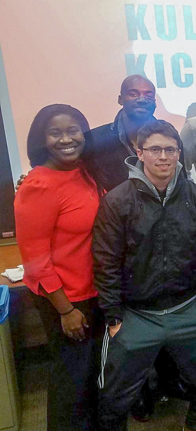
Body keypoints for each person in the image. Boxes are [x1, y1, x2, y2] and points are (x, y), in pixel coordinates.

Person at [93, 120, 196, 431]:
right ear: (140, 153)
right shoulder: (117, 201)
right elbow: (105, 262)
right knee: (113, 397)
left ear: (179, 153)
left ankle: (195, 424)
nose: (163, 156)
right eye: (155, 149)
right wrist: (113, 317)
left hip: (189, 309)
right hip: (136, 315)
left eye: (170, 149)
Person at [15, 104, 102, 431]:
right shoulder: (38, 186)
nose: (66, 139)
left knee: (90, 373)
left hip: (93, 291)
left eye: (73, 130)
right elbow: (35, 262)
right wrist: (65, 310)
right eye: (55, 132)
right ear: (42, 139)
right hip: (65, 299)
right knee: (72, 380)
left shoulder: (86, 169)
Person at [85, 74, 157, 191]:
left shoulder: (169, 139)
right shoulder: (95, 139)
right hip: (113, 207)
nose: (142, 100)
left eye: (148, 95)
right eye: (133, 94)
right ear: (120, 99)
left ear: (155, 102)